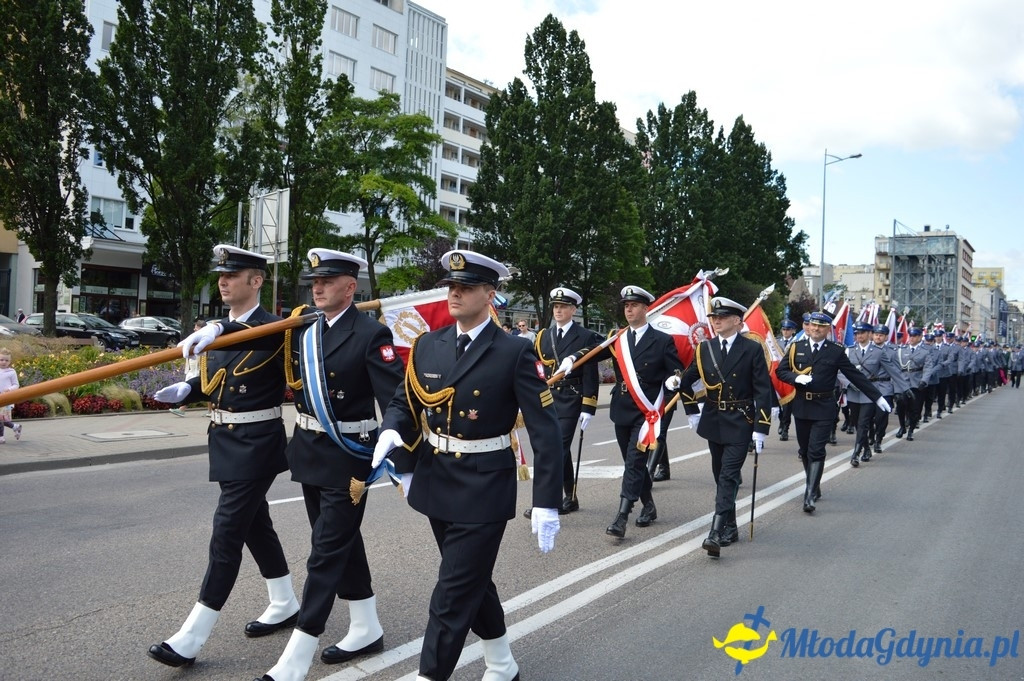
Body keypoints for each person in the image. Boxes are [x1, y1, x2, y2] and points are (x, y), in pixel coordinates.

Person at [371, 249, 563, 681]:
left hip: (484, 486)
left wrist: (547, 501)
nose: (454, 294)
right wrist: (392, 430)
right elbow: (406, 401)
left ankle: (429, 674)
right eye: (451, 287)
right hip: (437, 480)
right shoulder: (429, 344)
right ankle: (501, 662)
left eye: (466, 287)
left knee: (453, 589)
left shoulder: (514, 351)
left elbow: (546, 431)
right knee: (472, 580)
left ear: (489, 293)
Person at [225, 249, 405, 681]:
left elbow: (396, 394)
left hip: (349, 454)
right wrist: (217, 327)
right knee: (341, 543)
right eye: (313, 282)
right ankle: (366, 626)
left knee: (324, 552)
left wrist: (392, 432)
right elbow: (256, 333)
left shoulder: (371, 334)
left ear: (350, 286)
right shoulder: (305, 330)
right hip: (309, 449)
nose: (317, 287)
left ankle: (297, 656)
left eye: (327, 281)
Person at [147, 245, 299, 668]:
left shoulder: (276, 327)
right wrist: (191, 390)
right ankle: (284, 601)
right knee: (255, 525)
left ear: (257, 281)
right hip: (225, 439)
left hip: (257, 443)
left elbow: (267, 343)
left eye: (233, 275)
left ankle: (192, 636)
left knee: (227, 529)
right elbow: (222, 377)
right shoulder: (216, 331)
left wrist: (217, 326)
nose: (223, 281)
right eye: (221, 275)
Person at [567, 285, 684, 538]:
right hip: (622, 408)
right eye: (626, 306)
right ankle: (649, 506)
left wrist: (674, 381)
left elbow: (675, 371)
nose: (628, 309)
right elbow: (594, 353)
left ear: (645, 308)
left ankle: (622, 515)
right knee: (634, 463)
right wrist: (572, 358)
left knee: (633, 462)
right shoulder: (617, 337)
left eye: (633, 305)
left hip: (647, 412)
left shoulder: (662, 340)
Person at [675, 297, 773, 557]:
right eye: (713, 317)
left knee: (729, 476)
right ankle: (730, 526)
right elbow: (687, 380)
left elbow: (763, 389)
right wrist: (687, 403)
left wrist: (761, 428)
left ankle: (715, 532)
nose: (716, 321)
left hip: (741, 421)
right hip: (714, 420)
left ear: (737, 320)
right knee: (721, 477)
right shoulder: (705, 348)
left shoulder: (751, 349)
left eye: (722, 317)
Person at [776, 311, 891, 513]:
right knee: (804, 450)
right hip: (802, 406)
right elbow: (781, 371)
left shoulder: (836, 350)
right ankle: (815, 484)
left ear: (828, 329)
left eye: (821, 326)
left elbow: (855, 376)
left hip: (824, 406)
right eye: (813, 325)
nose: (816, 329)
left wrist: (877, 397)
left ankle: (809, 494)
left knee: (816, 450)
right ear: (808, 327)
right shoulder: (796, 347)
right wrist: (795, 378)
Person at [523, 287, 603, 517]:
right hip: (549, 399)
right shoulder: (543, 336)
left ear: (573, 310)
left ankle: (548, 502)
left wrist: (588, 406)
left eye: (563, 307)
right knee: (559, 449)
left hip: (571, 399)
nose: (558, 310)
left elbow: (590, 372)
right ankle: (571, 496)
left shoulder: (585, 336)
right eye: (556, 307)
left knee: (555, 449)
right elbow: (537, 367)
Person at [844, 323, 909, 466]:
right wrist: (848, 384)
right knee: (855, 422)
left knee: (863, 423)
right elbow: (840, 371)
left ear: (869, 334)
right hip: (853, 392)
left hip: (870, 392)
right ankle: (866, 447)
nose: (859, 336)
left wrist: (905, 388)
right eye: (857, 333)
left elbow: (893, 370)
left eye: (862, 333)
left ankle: (856, 454)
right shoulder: (849, 351)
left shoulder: (878, 352)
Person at [894, 328, 937, 441]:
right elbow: (896, 366)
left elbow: (928, 368)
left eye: (914, 336)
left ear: (919, 337)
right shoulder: (901, 350)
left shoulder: (925, 351)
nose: (911, 338)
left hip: (917, 382)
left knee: (915, 409)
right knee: (900, 405)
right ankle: (902, 426)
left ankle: (911, 430)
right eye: (910, 336)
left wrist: (924, 381)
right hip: (903, 382)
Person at [170, 320, 206, 417]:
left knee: (190, 388)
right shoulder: (194, 338)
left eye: (196, 327)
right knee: (205, 389)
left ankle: (182, 409)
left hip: (197, 369)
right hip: (191, 368)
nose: (194, 329)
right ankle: (211, 410)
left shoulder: (204, 339)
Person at [775, 319, 799, 441]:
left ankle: (785, 429)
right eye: (784, 329)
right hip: (777, 377)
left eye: (788, 329)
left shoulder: (797, 343)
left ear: (793, 331)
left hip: (789, 377)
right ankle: (781, 421)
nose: (785, 331)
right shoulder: (775, 342)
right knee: (779, 404)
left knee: (788, 406)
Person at [0, 348, 24, 443]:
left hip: (6, 398)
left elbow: (16, 385)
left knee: (1, 417)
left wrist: (9, 390)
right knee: (1, 418)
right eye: (1, 360)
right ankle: (15, 427)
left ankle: (1, 437)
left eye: (6, 360)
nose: (4, 362)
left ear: (10, 361)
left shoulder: (11, 372)